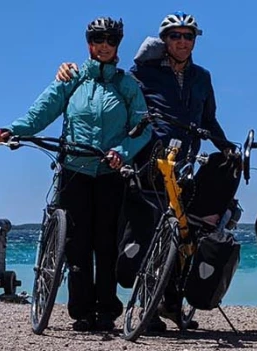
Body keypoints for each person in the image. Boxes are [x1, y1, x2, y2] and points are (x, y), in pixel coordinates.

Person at [55, 11, 240, 333]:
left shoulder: (202, 77)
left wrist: (227, 148)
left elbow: (208, 119)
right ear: (164, 41)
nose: (182, 42)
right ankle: (147, 308)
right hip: (150, 160)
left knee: (185, 234)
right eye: (175, 36)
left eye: (188, 36)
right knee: (148, 231)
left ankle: (171, 301)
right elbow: (125, 102)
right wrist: (68, 70)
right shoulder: (143, 73)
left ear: (195, 40)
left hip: (186, 160)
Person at [0, 16, 151, 332]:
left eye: (110, 40)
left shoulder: (128, 85)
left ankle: (106, 311)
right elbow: (43, 110)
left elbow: (142, 128)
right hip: (74, 170)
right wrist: (13, 130)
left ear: (117, 45)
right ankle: (80, 312)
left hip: (108, 173)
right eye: (98, 40)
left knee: (105, 246)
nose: (104, 46)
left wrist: (122, 151)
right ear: (89, 43)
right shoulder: (71, 78)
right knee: (76, 247)